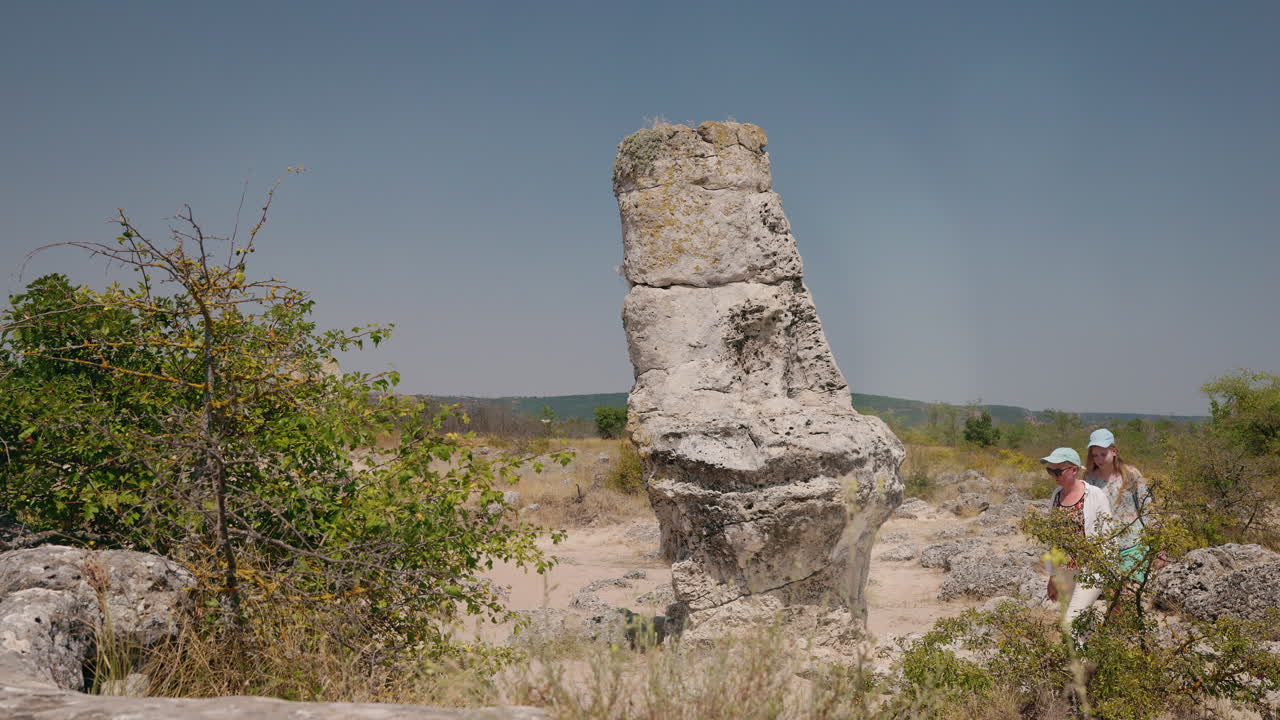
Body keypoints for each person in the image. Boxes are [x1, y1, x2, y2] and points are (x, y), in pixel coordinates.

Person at [1042, 446, 1114, 624]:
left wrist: (1111, 576)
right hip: (1066, 570)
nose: (1054, 475)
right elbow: (1054, 539)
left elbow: (1108, 534)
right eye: (1050, 470)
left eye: (1058, 471)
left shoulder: (1095, 495)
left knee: (1071, 621)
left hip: (1092, 569)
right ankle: (1090, 651)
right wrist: (1053, 577)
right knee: (1081, 624)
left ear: (1074, 470)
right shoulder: (1056, 496)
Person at [1083, 428, 1157, 583]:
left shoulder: (1131, 474)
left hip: (1134, 544)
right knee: (1113, 599)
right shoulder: (1089, 478)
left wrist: (1156, 544)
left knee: (1129, 593)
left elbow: (1148, 506)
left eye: (1103, 454)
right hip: (1105, 547)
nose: (1099, 459)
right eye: (1095, 455)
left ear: (1114, 451)